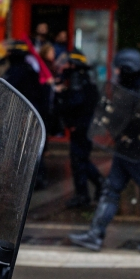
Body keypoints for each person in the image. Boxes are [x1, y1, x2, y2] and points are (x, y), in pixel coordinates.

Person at [69, 48, 140, 253]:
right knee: (110, 190)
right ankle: (95, 235)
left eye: (118, 69)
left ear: (127, 68)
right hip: (125, 149)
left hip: (139, 150)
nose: (116, 73)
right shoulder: (133, 86)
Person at [55, 49, 103, 208]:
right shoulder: (86, 78)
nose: (65, 66)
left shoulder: (76, 79)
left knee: (78, 160)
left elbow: (74, 102)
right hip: (86, 124)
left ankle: (84, 194)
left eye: (68, 63)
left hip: (80, 125)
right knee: (82, 159)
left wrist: (61, 95)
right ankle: (99, 185)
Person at [3, 40, 48, 189]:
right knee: (31, 147)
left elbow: (6, 89)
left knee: (25, 147)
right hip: (34, 113)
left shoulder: (16, 71)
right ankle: (36, 178)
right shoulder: (30, 69)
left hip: (25, 114)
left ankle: (32, 179)